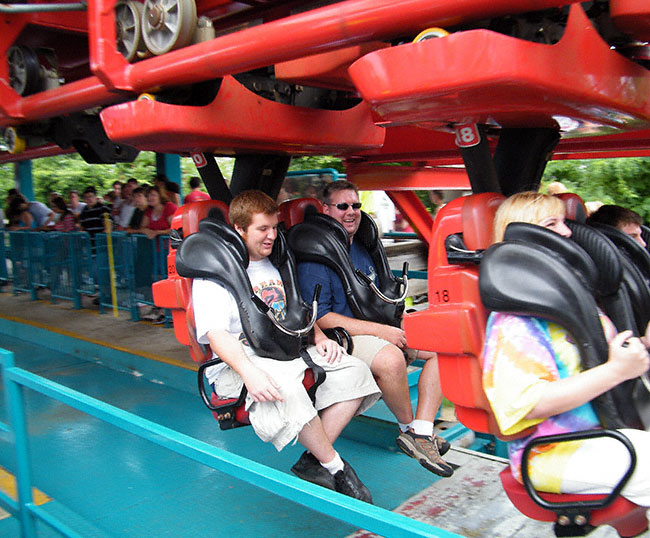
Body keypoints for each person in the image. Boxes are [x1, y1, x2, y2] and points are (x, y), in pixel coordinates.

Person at [192, 190, 380, 501]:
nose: (271, 236)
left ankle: (313, 461)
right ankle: (336, 468)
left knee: (356, 371)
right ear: (239, 229)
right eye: (262, 229)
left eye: (275, 227)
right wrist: (249, 373)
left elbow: (295, 310)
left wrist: (318, 336)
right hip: (239, 359)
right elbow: (217, 336)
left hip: (284, 349)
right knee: (286, 388)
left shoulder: (276, 263)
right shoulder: (215, 274)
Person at [483, 191, 650, 506]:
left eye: (564, 222)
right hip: (552, 452)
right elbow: (528, 404)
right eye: (552, 224)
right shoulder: (516, 320)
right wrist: (616, 371)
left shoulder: (567, 295)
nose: (567, 232)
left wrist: (639, 346)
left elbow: (597, 356)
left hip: (602, 431)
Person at [296, 180, 453, 477]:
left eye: (356, 205)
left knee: (442, 346)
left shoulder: (364, 244)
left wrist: (395, 320)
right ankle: (411, 431)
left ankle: (421, 430)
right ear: (326, 209)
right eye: (343, 206)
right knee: (391, 359)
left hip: (374, 323)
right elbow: (321, 316)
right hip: (339, 335)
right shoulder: (316, 254)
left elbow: (381, 292)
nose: (351, 212)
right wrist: (382, 333)